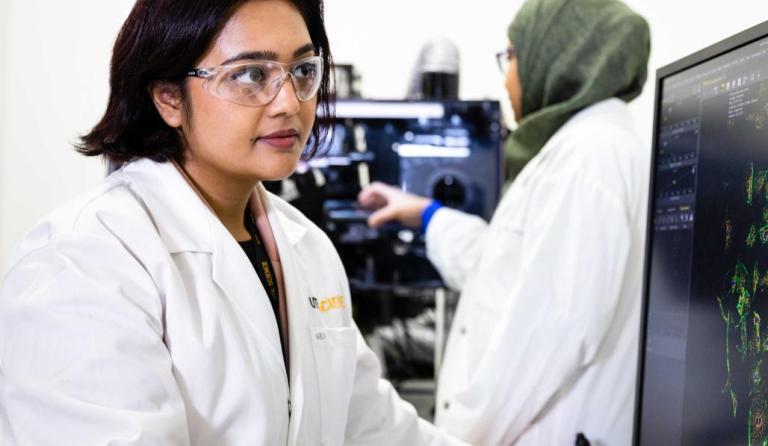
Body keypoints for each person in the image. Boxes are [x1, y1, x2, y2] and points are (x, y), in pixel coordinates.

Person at [0, 1, 464, 444]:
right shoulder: (84, 260)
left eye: (303, 70)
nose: (288, 101)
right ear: (168, 99)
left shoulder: (306, 247)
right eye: (249, 74)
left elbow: (370, 425)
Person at [357, 0, 651, 444]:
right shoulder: (576, 147)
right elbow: (502, 265)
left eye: (511, 55)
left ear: (559, 56)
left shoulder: (591, 157)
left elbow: (544, 338)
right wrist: (425, 213)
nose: (505, 75)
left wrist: (457, 437)